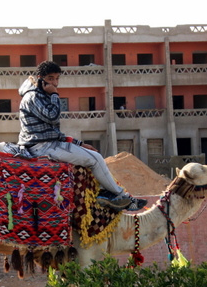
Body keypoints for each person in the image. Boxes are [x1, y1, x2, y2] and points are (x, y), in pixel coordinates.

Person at [17, 60, 146, 211]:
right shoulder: (33, 96)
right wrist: (54, 95)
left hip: (47, 143)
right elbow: (53, 117)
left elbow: (53, 132)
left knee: (92, 154)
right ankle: (121, 196)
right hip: (40, 147)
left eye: (57, 78)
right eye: (50, 78)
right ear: (40, 78)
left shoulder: (40, 95)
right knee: (95, 160)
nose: (55, 82)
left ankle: (107, 193)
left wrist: (78, 144)